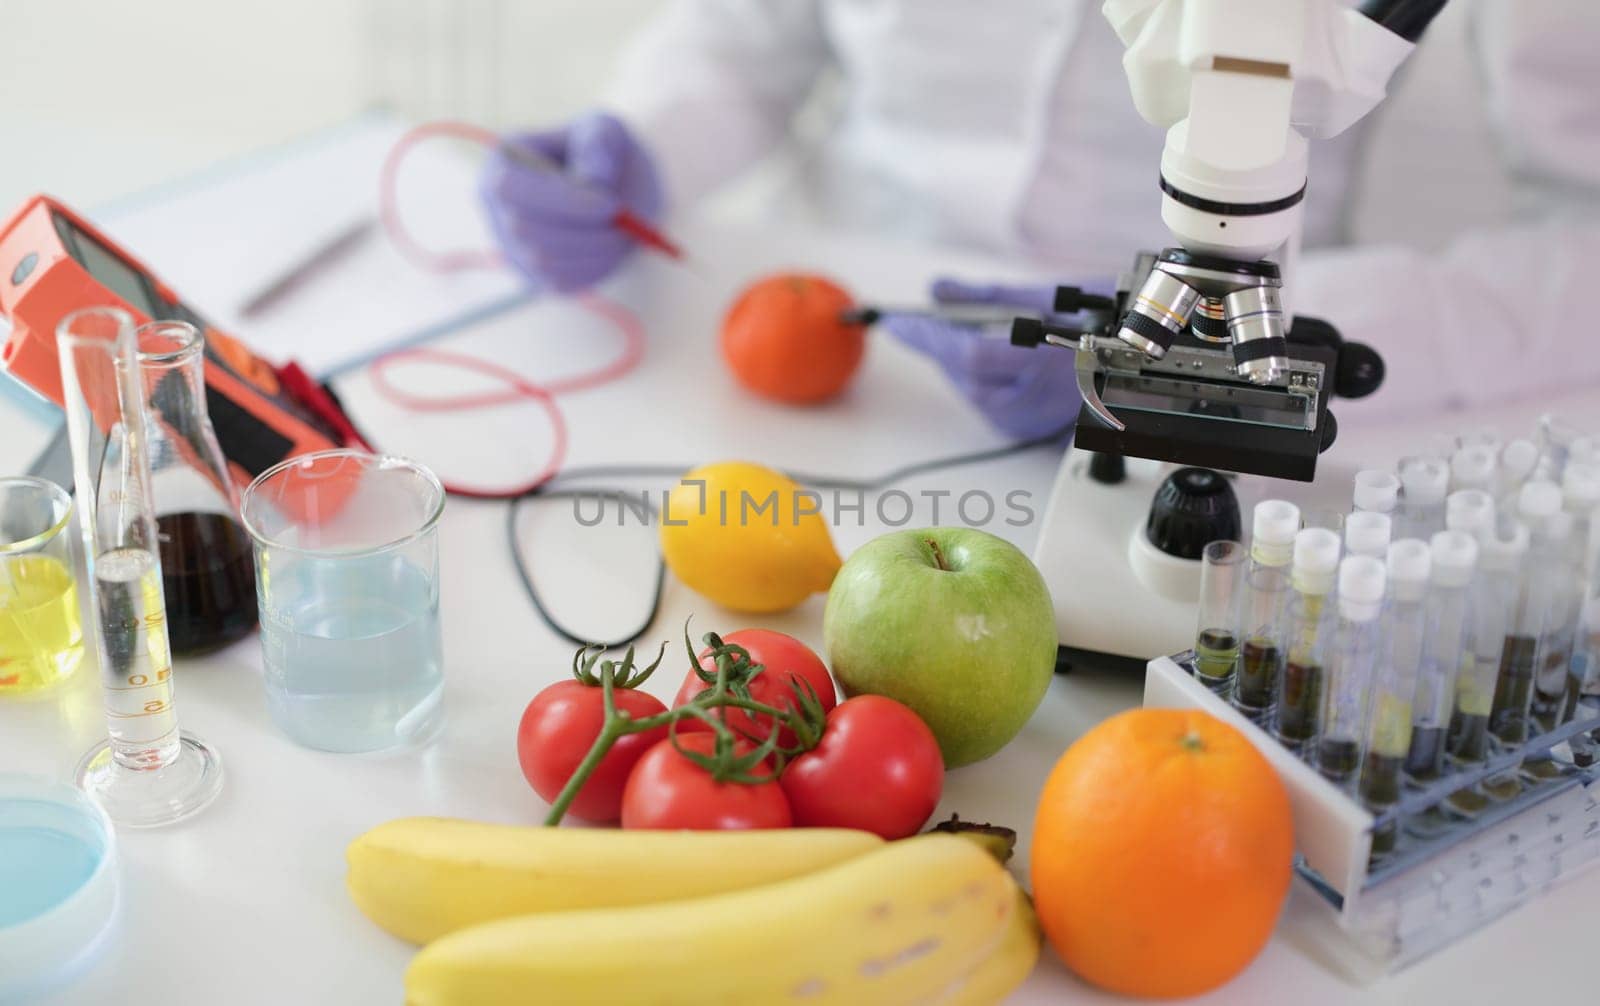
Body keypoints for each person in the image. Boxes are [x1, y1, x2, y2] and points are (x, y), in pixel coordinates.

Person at [481, 0, 1600, 440]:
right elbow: (753, 35)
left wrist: (1201, 354)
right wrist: (644, 137)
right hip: (826, 363)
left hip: (1202, 418)